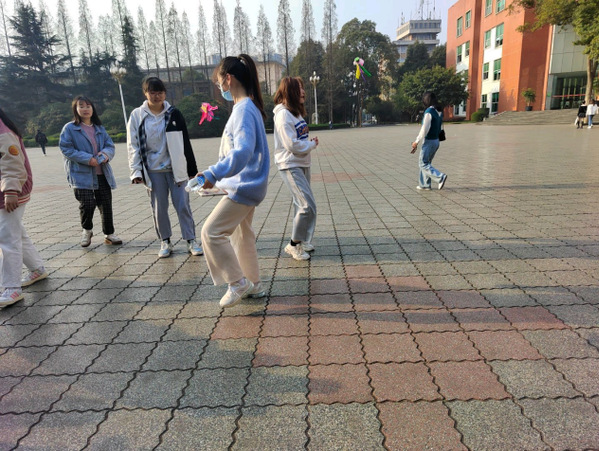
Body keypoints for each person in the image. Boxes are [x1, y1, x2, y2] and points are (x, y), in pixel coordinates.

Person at [198, 54, 270, 308]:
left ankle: (237, 282)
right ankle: (254, 284)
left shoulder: (243, 109)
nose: (220, 88)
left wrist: (213, 173)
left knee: (211, 232)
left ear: (228, 79)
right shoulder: (248, 107)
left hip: (243, 187)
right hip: (250, 184)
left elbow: (241, 152)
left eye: (219, 82)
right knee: (242, 235)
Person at [127, 76, 202, 258]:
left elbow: (185, 142)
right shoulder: (137, 115)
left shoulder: (174, 113)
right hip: (153, 171)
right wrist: (136, 171)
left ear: (165, 93)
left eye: (160, 92)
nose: (157, 96)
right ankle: (165, 241)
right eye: (152, 92)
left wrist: (192, 171)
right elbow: (133, 145)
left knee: (183, 205)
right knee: (159, 208)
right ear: (145, 93)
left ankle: (191, 240)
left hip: (176, 169)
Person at [59, 95, 122, 248]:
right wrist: (88, 159)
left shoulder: (99, 128)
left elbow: (110, 145)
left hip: (102, 172)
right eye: (81, 106)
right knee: (87, 204)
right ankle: (87, 231)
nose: (85, 109)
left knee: (105, 204)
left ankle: (109, 234)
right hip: (81, 175)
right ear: (76, 109)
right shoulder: (70, 128)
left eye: (88, 106)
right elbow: (66, 149)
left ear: (93, 108)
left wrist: (104, 155)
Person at [0, 108, 47, 308]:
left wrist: (10, 190)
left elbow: (11, 161)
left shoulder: (2, 130)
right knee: (16, 233)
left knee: (8, 238)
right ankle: (37, 268)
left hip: (10, 192)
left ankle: (12, 288)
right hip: (7, 190)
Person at [273, 76, 319, 261]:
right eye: (299, 88)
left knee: (307, 205)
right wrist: (310, 145)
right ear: (290, 91)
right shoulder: (283, 115)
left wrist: (308, 143)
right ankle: (293, 245)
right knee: (305, 205)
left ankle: (303, 241)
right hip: (290, 164)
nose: (303, 91)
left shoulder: (295, 113)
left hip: (302, 163)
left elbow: (299, 139)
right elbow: (291, 144)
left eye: (303, 87)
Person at [411, 91, 447, 190]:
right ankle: (424, 185)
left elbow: (424, 129)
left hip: (429, 141)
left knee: (423, 163)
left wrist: (416, 141)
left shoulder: (429, 112)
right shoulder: (439, 111)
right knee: (427, 163)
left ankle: (440, 177)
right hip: (436, 141)